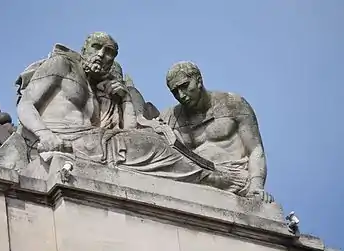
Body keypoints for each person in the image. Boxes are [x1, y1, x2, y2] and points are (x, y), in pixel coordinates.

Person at [16, 32, 209, 182]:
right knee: (155, 148)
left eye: (109, 52)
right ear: (84, 50)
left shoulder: (97, 86)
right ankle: (207, 178)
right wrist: (45, 135)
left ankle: (205, 176)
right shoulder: (61, 64)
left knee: (149, 141)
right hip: (64, 138)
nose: (101, 54)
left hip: (93, 140)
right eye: (97, 47)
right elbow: (26, 104)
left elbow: (129, 129)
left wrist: (124, 97)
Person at [161, 61, 273, 202]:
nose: (181, 95)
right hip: (194, 182)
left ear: (199, 80)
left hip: (234, 178)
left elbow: (255, 149)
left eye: (184, 86)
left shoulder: (233, 104)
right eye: (175, 92)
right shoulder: (171, 117)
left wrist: (256, 187)